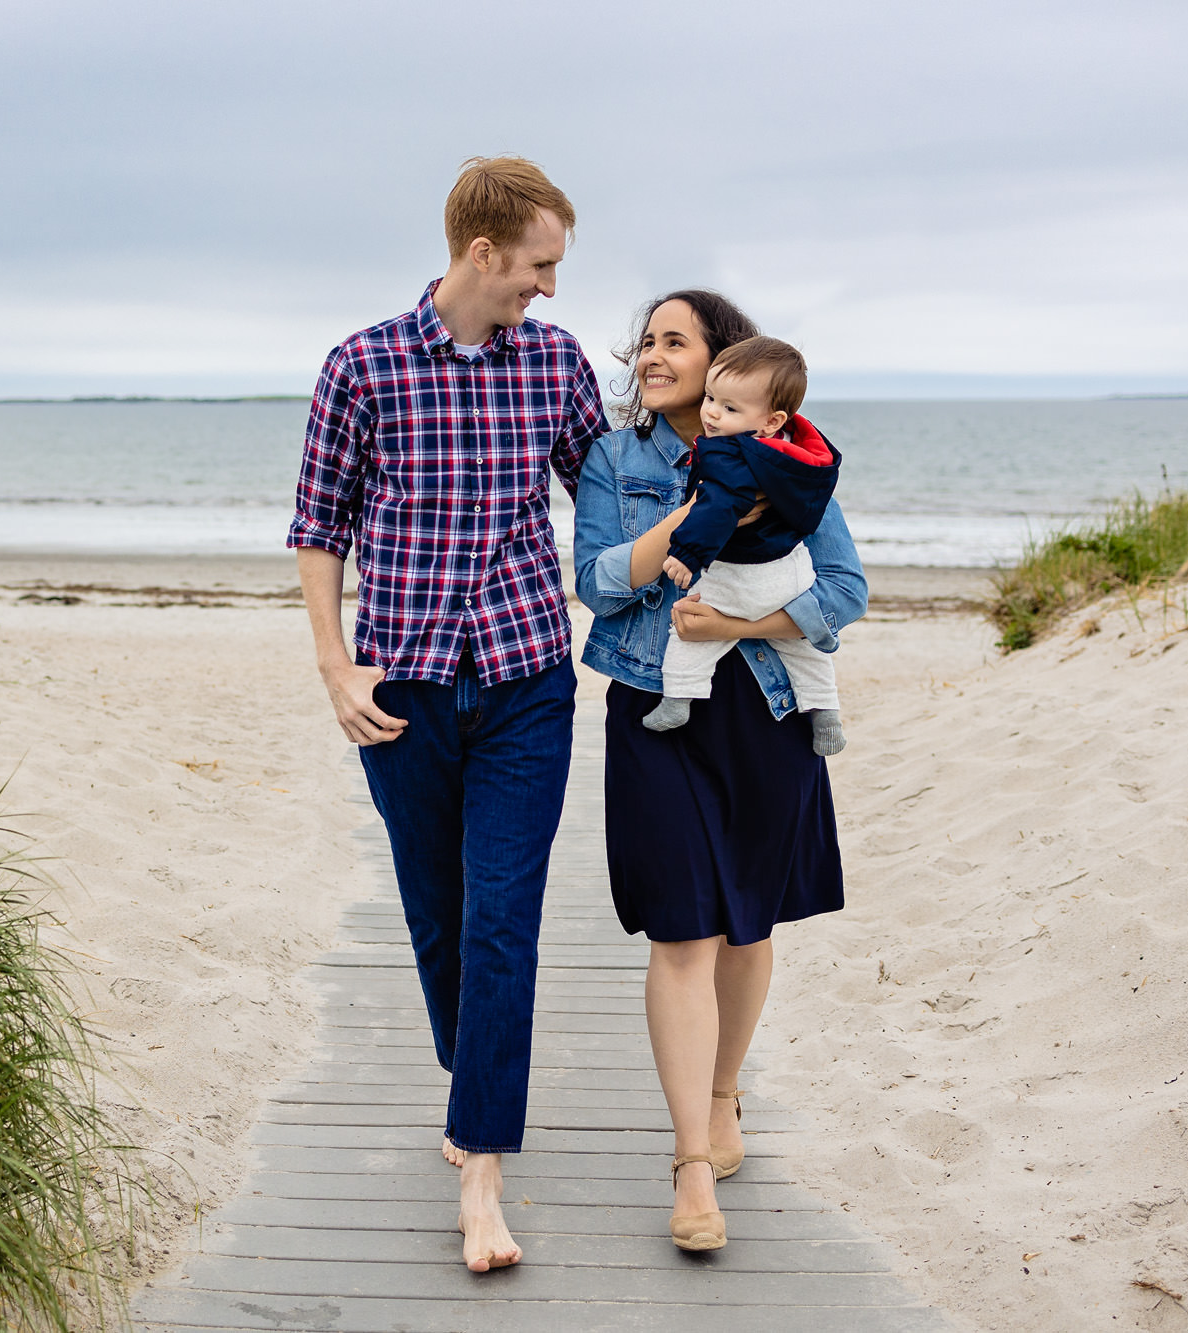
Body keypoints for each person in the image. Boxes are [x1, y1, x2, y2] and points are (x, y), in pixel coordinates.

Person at [287, 155, 608, 1273]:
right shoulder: (363, 366)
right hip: (404, 692)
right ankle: (470, 1079)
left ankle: (481, 1170)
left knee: (502, 919)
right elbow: (318, 530)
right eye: (539, 265)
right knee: (437, 915)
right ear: (482, 253)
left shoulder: (557, 364)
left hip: (527, 681)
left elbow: (609, 496)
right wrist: (335, 666)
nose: (550, 289)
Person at [572, 290, 866, 1252]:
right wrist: (697, 514)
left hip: (767, 713)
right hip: (656, 708)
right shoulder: (617, 458)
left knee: (746, 925)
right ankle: (691, 1161)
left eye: (672, 342)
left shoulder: (796, 460)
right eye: (645, 342)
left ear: (724, 361)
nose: (649, 358)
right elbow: (599, 582)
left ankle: (725, 1091)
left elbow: (844, 590)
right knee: (680, 929)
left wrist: (740, 625)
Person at [643, 336, 846, 755]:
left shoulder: (731, 454)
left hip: (737, 576)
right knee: (804, 651)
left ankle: (679, 699)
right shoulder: (798, 455)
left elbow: (720, 505)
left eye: (730, 408)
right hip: (790, 573)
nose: (713, 413)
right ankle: (825, 712)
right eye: (712, 398)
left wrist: (686, 553)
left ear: (771, 420)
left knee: (689, 636)